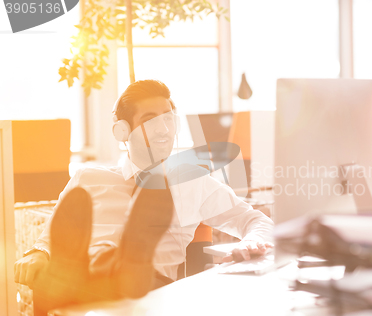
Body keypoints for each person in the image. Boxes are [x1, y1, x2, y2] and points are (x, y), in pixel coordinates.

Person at [14, 79, 274, 297]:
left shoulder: (194, 183)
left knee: (129, 275)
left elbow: (255, 220)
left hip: (150, 295)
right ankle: (114, 262)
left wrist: (252, 241)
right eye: (150, 120)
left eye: (168, 120)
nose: (163, 130)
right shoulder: (88, 178)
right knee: (80, 271)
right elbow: (48, 241)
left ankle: (127, 262)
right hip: (85, 290)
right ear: (122, 130)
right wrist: (37, 254)